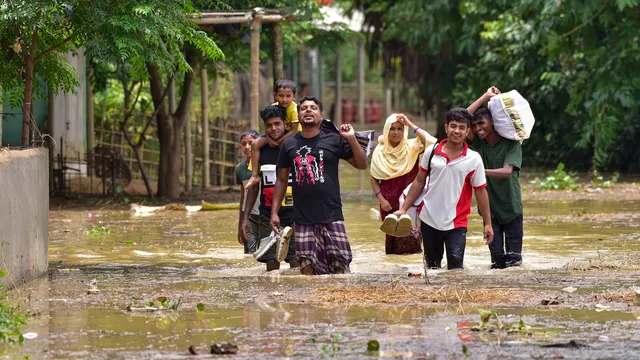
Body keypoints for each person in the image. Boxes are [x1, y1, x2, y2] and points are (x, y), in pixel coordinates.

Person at [270, 96, 368, 275]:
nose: (308, 110)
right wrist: (274, 212)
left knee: (341, 264)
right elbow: (282, 180)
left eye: (313, 108)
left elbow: (362, 165)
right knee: (307, 266)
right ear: (298, 116)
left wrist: (351, 139)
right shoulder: (289, 144)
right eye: (304, 108)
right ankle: (309, 303)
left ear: (321, 115)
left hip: (332, 213)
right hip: (302, 217)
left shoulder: (333, 140)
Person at [394, 108, 494, 270]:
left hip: (457, 223)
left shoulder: (473, 159)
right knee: (432, 268)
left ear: (468, 131)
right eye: (453, 126)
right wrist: (403, 209)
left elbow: (481, 191)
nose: (457, 131)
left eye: (462, 127)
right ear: (446, 127)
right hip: (429, 219)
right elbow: (419, 182)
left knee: (456, 269)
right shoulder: (431, 152)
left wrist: (488, 224)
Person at [467, 87, 524, 269]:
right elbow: (462, 116)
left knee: (514, 263)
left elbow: (507, 172)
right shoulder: (478, 144)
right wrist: (485, 96)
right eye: (475, 126)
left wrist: (479, 171)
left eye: (481, 123)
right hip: (489, 212)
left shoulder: (511, 144)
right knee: (497, 263)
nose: (477, 128)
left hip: (512, 209)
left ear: (492, 121)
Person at [241, 105, 300, 271]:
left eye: (277, 124)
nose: (273, 128)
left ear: (285, 125)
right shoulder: (259, 150)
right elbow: (254, 187)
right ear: (264, 127)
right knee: (271, 264)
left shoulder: (295, 147)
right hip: (267, 215)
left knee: (296, 262)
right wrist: (245, 218)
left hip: (294, 214)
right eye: (269, 125)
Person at [370, 113, 437, 254]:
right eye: (392, 128)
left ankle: (412, 268)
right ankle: (394, 270)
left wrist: (410, 124)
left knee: (412, 236)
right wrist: (381, 199)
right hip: (388, 202)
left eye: (399, 128)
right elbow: (374, 178)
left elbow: (431, 141)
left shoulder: (413, 146)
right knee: (392, 239)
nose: (395, 132)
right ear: (386, 130)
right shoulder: (379, 151)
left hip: (410, 199)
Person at [245, 79, 301, 189]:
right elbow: (268, 124)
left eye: (288, 96)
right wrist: (269, 139)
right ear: (275, 95)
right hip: (274, 135)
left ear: (294, 96)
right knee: (255, 144)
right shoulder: (274, 106)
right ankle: (255, 175)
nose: (284, 99)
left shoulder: (294, 110)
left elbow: (294, 130)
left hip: (292, 135)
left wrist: (279, 141)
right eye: (281, 96)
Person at [236, 130, 260, 254]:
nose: (247, 147)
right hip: (250, 217)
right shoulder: (240, 169)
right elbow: (243, 197)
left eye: (250, 143)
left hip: (266, 216)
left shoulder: (265, 164)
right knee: (250, 255)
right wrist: (240, 224)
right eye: (243, 144)